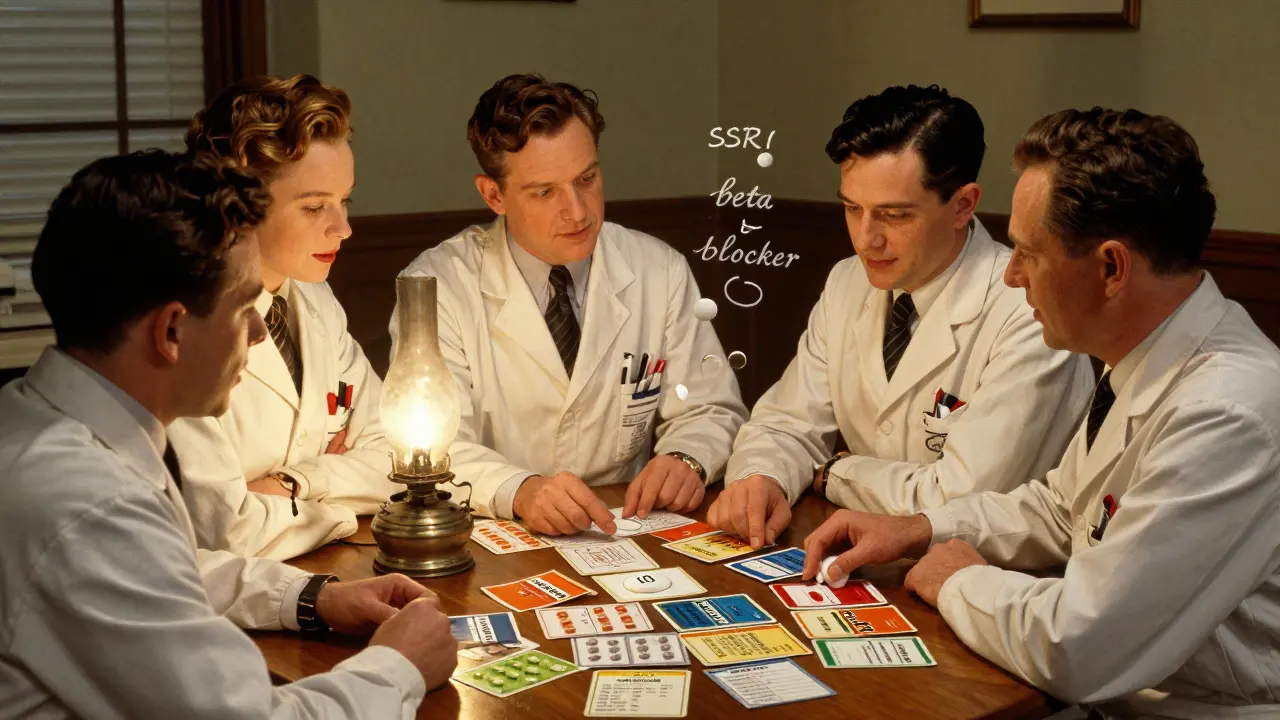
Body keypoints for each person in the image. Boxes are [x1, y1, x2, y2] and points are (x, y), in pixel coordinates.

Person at [802, 108, 1280, 718]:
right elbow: (1062, 507)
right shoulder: (1143, 357)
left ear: (1110, 268)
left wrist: (954, 578)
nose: (1010, 274)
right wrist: (920, 530)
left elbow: (1080, 645)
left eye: (1030, 252)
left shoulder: (1228, 410)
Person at [0, 150, 457, 718]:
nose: (261, 331)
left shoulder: (33, 417)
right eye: (244, 305)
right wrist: (399, 667)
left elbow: (165, 571)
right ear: (170, 330)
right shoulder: (87, 504)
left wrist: (315, 597)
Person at [710, 85, 1093, 548]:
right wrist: (761, 476)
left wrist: (832, 470)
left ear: (963, 205)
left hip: (989, 578)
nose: (865, 240)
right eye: (852, 209)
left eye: (893, 215)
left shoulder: (1027, 310)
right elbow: (785, 424)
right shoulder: (846, 282)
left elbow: (960, 499)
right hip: (864, 559)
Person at [394, 73, 748, 535]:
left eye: (587, 179)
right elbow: (431, 445)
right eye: (545, 192)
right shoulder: (438, 285)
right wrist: (519, 489)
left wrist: (687, 458)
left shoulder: (658, 269)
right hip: (494, 532)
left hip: (625, 528)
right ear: (493, 194)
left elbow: (712, 408)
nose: (578, 211)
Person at [168, 74, 399, 560]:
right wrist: (337, 511)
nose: (344, 228)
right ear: (241, 207)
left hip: (320, 573)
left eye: (345, 201)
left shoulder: (314, 300)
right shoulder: (187, 327)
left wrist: (294, 482)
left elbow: (393, 457)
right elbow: (227, 533)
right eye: (315, 207)